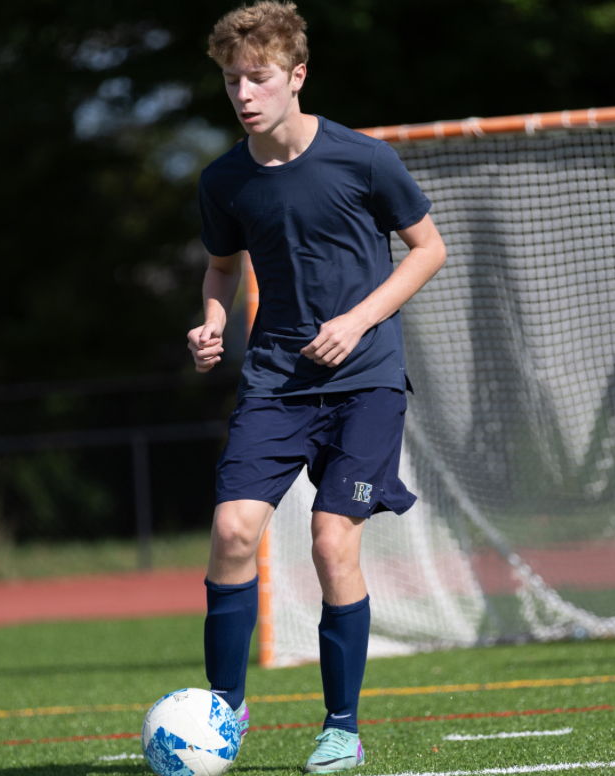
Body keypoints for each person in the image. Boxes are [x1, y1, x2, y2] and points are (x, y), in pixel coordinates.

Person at [187, 2, 446, 772]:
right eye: (232, 79)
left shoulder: (363, 160)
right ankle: (222, 714)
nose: (243, 93)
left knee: (332, 544)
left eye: (258, 77)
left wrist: (358, 321)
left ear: (296, 76)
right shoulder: (224, 179)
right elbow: (223, 267)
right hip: (274, 382)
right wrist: (209, 322)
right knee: (233, 531)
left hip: (366, 384)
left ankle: (341, 726)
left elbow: (428, 250)